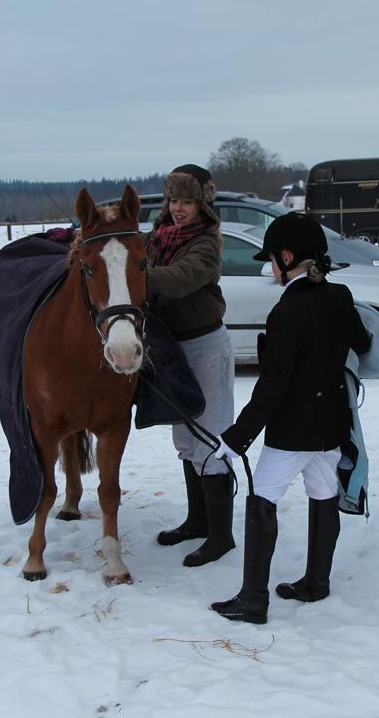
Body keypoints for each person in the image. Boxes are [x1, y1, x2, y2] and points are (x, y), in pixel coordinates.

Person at [209, 212, 372, 624]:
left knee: (262, 496)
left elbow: (273, 386)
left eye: (271, 261)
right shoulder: (340, 296)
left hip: (292, 433)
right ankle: (316, 581)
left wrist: (236, 437)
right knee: (322, 495)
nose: (270, 269)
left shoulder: (287, 311)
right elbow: (363, 341)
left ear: (286, 256)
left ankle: (253, 598)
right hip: (331, 427)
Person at [147, 164, 236, 567]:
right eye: (173, 200)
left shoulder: (206, 242)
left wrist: (132, 274)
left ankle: (221, 536)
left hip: (205, 346)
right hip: (173, 349)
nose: (178, 208)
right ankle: (197, 522)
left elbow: (178, 280)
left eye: (186, 201)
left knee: (211, 438)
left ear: (202, 203)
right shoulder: (158, 237)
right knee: (186, 440)